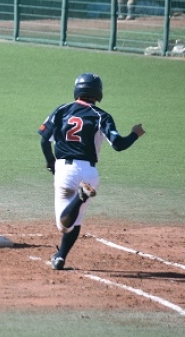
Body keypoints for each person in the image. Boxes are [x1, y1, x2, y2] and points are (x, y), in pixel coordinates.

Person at [38, 73, 145, 270]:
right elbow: (119, 144)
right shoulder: (102, 116)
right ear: (98, 92)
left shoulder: (61, 110)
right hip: (89, 173)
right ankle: (60, 257)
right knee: (76, 218)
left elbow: (44, 139)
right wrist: (135, 134)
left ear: (77, 90)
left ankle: (80, 196)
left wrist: (50, 162)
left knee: (64, 225)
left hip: (65, 171)